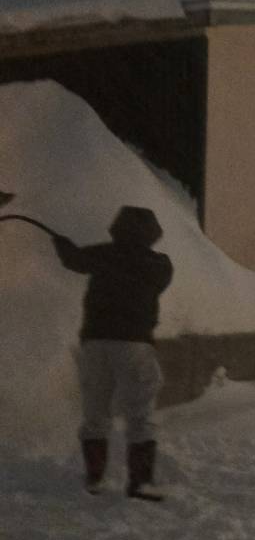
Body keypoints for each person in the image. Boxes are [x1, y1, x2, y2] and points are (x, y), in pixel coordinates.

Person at [53, 206, 173, 499]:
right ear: (152, 235)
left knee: (95, 411)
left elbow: (73, 260)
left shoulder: (103, 254)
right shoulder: (158, 264)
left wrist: (61, 243)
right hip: (133, 344)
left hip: (95, 343)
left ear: (116, 230)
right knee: (140, 413)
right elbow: (159, 279)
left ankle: (94, 479)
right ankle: (140, 482)